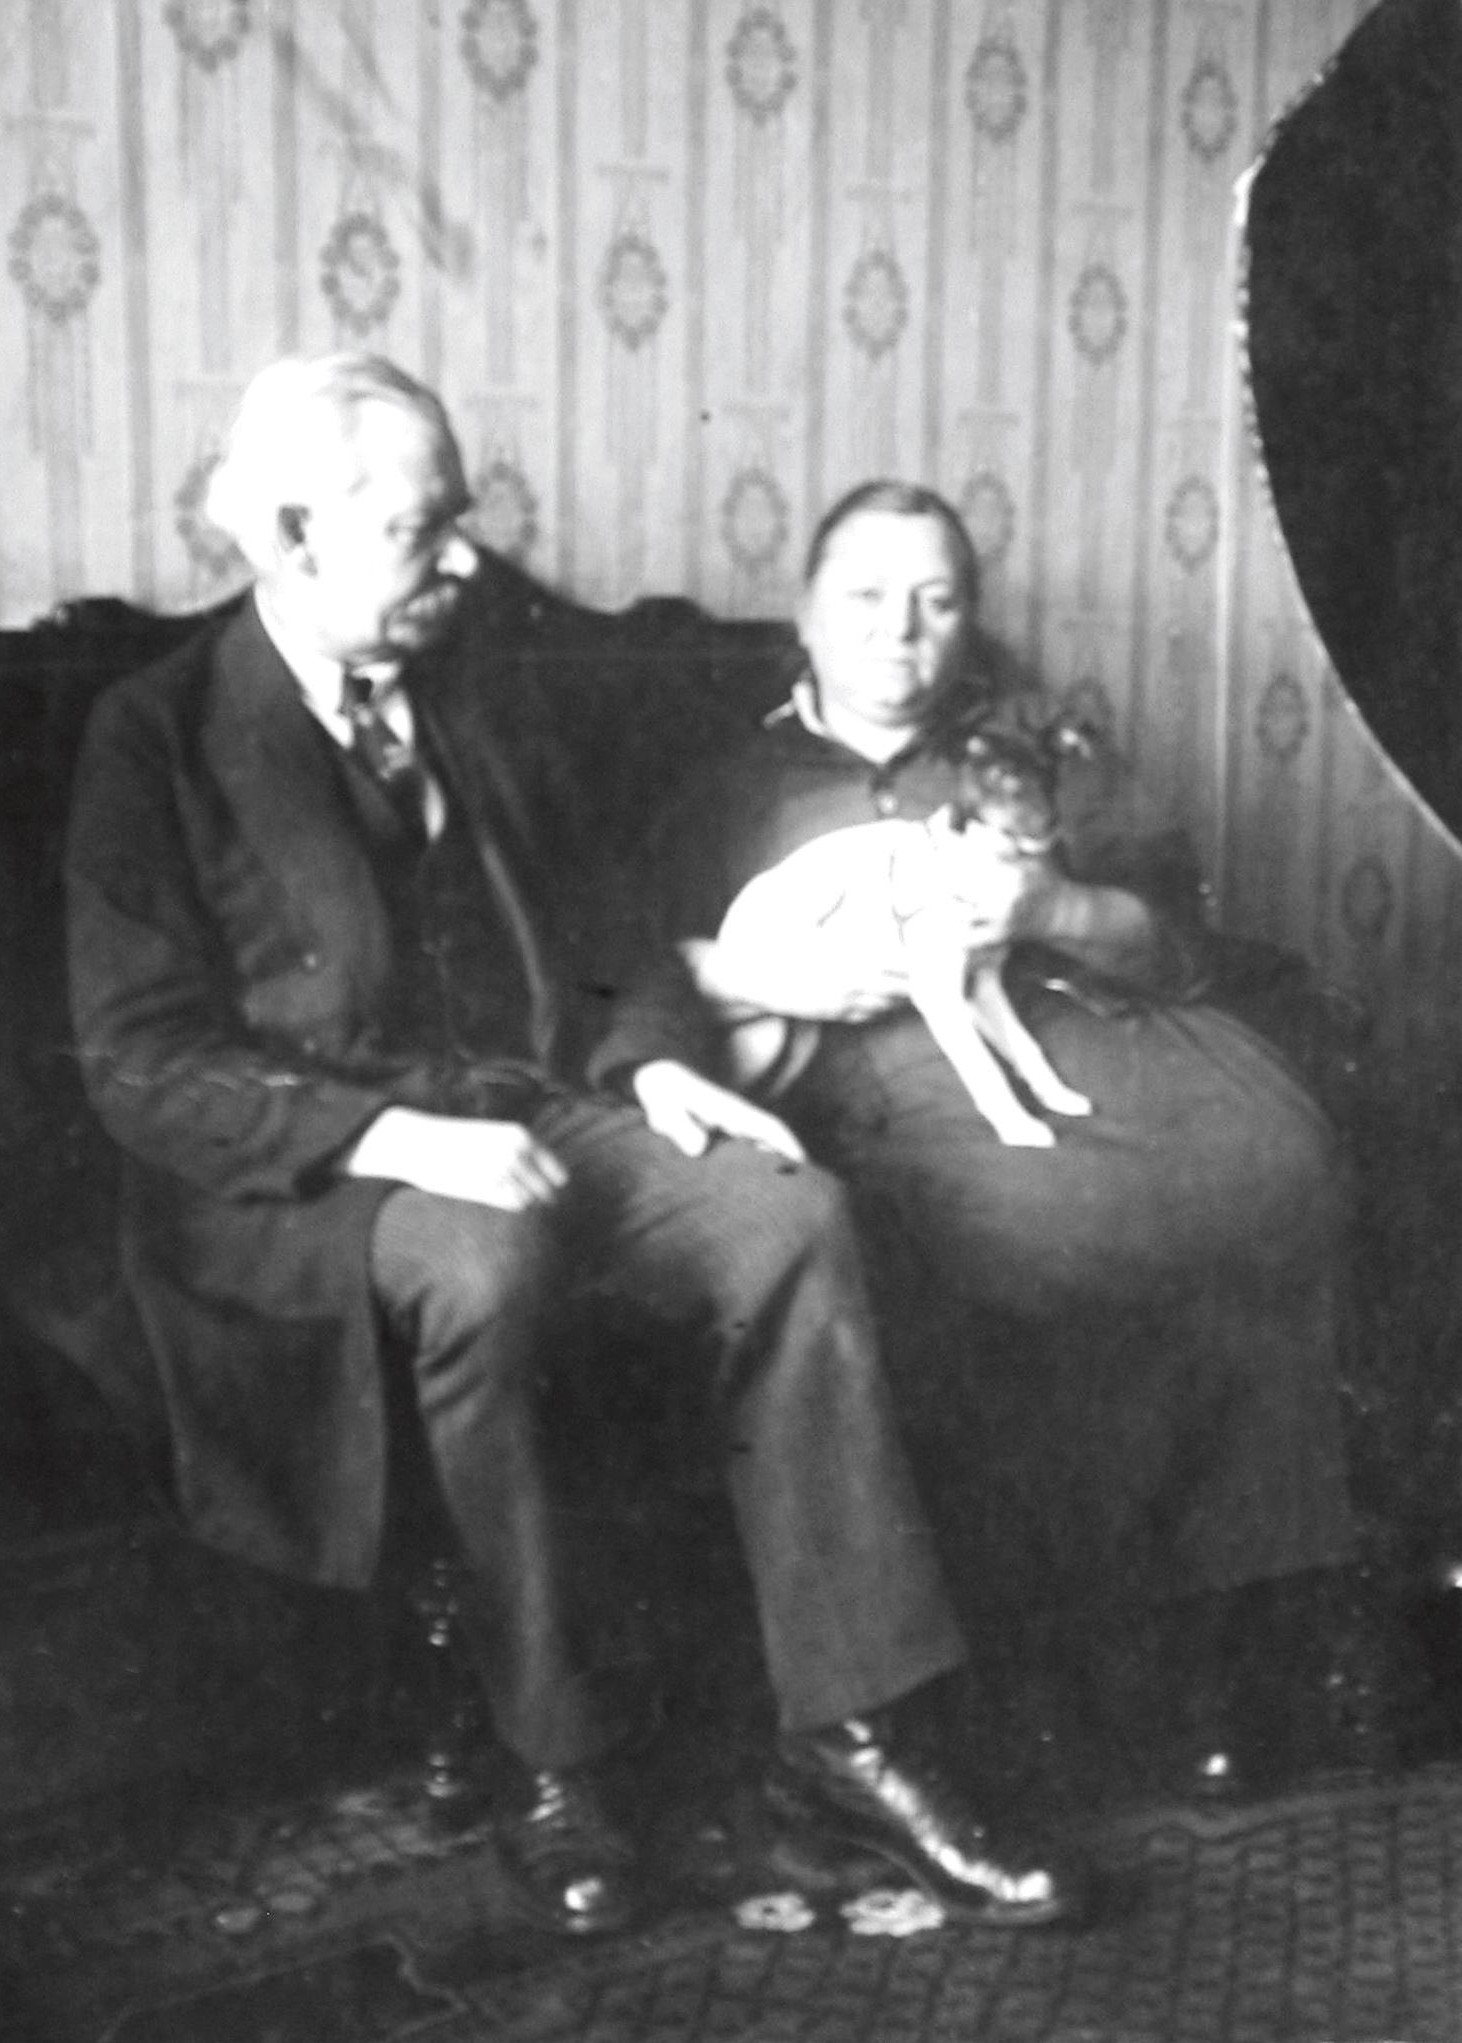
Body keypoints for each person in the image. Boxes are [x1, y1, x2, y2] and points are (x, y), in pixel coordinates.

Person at [63, 361, 1081, 1938]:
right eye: (423, 530)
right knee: (487, 1262)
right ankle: (561, 1766)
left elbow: (606, 930)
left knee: (787, 1215)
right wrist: (400, 1138)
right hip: (307, 1172)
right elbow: (143, 1064)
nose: (465, 559)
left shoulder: (476, 686)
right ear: (293, 536)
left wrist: (656, 1067)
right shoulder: (158, 734)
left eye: (460, 519)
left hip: (531, 1101)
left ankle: (854, 1729)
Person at [594, 480, 1363, 1793]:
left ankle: (1247, 1629)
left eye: (938, 601)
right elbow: (628, 976)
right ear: (803, 615)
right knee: (1075, 1224)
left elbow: (1175, 939)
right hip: (901, 1077)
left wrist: (1052, 908)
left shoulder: (1032, 756)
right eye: (866, 598)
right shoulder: (731, 790)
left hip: (1101, 1036)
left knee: (1287, 1174)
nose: (902, 631)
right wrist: (759, 977)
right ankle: (1140, 1660)